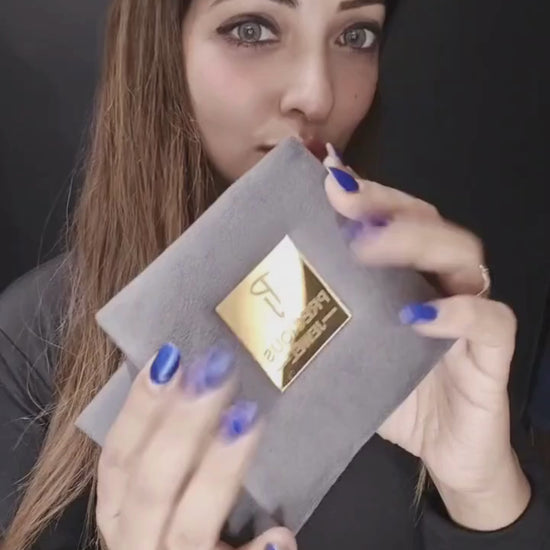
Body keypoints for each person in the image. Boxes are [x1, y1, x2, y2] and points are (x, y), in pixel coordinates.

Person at [0, 0, 549, 548]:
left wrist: (482, 491)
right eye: (251, 28)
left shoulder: (418, 306)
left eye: (356, 35)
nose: (317, 94)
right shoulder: (31, 342)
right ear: (158, 49)